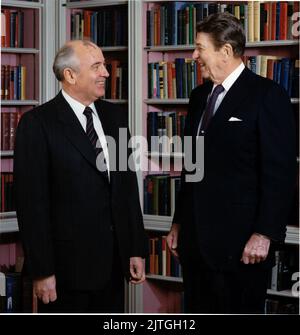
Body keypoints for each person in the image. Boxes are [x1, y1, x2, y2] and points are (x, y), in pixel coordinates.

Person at [167, 13, 296, 314]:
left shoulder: (267, 95)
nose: (193, 55)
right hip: (196, 243)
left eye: (200, 47)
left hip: (242, 247)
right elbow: (192, 165)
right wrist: (178, 221)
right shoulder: (199, 96)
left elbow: (281, 172)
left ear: (225, 51)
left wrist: (264, 233)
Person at [14, 40, 148, 313]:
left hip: (113, 268)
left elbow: (126, 187)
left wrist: (135, 248)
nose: (106, 73)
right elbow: (31, 205)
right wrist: (42, 272)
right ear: (70, 75)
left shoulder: (115, 116)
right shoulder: (37, 123)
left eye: (104, 65)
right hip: (65, 272)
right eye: (96, 66)